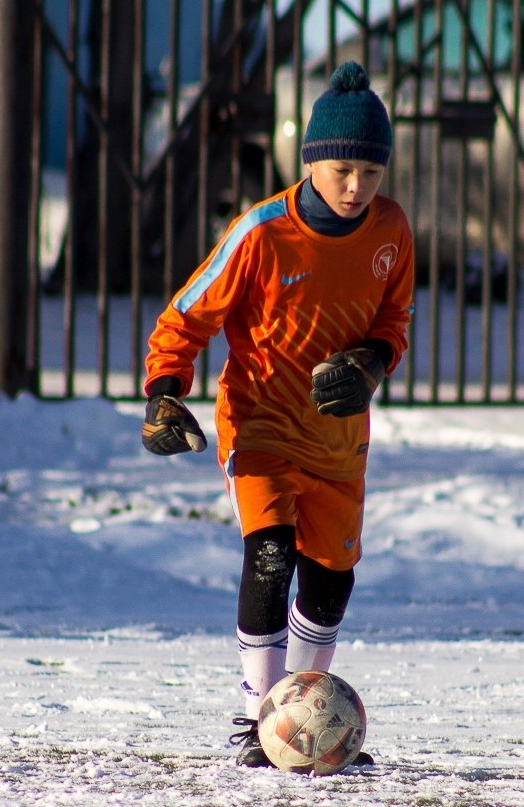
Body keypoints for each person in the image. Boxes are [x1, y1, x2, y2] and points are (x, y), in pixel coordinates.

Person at [140, 61, 413, 767]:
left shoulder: (391, 230)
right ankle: (263, 719)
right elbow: (186, 315)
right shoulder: (260, 233)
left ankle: (308, 701)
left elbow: (395, 319)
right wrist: (165, 389)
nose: (357, 188)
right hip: (259, 423)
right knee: (269, 555)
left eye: (372, 174)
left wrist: (372, 366)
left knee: (330, 579)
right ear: (314, 162)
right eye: (344, 170)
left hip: (338, 439)